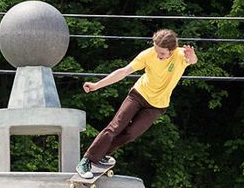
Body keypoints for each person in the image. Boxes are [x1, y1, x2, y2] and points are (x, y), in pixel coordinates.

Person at [76, 29, 198, 178]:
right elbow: (123, 71)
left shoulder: (180, 55)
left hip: (157, 105)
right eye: (156, 51)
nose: (158, 56)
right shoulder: (147, 55)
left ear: (171, 51)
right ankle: (87, 160)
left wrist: (192, 57)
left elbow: (192, 61)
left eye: (162, 54)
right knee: (115, 126)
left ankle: (102, 154)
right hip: (138, 95)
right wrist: (97, 85)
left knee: (131, 134)